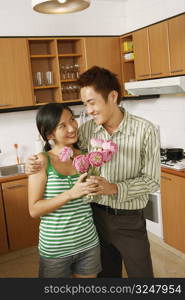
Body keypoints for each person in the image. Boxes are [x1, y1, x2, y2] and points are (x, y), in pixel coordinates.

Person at [26, 66, 161, 278]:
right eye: (84, 104)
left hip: (129, 221)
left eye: (91, 102)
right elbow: (61, 151)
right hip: (94, 219)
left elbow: (152, 180)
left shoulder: (145, 130)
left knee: (142, 277)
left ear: (113, 96)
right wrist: (32, 163)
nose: (88, 110)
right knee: (106, 277)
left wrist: (114, 188)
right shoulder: (86, 130)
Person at [28, 102, 102, 278]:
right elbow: (34, 209)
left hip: (88, 242)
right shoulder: (41, 161)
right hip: (56, 249)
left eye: (72, 120)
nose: (72, 128)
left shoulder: (85, 156)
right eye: (63, 126)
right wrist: (70, 194)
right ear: (49, 133)